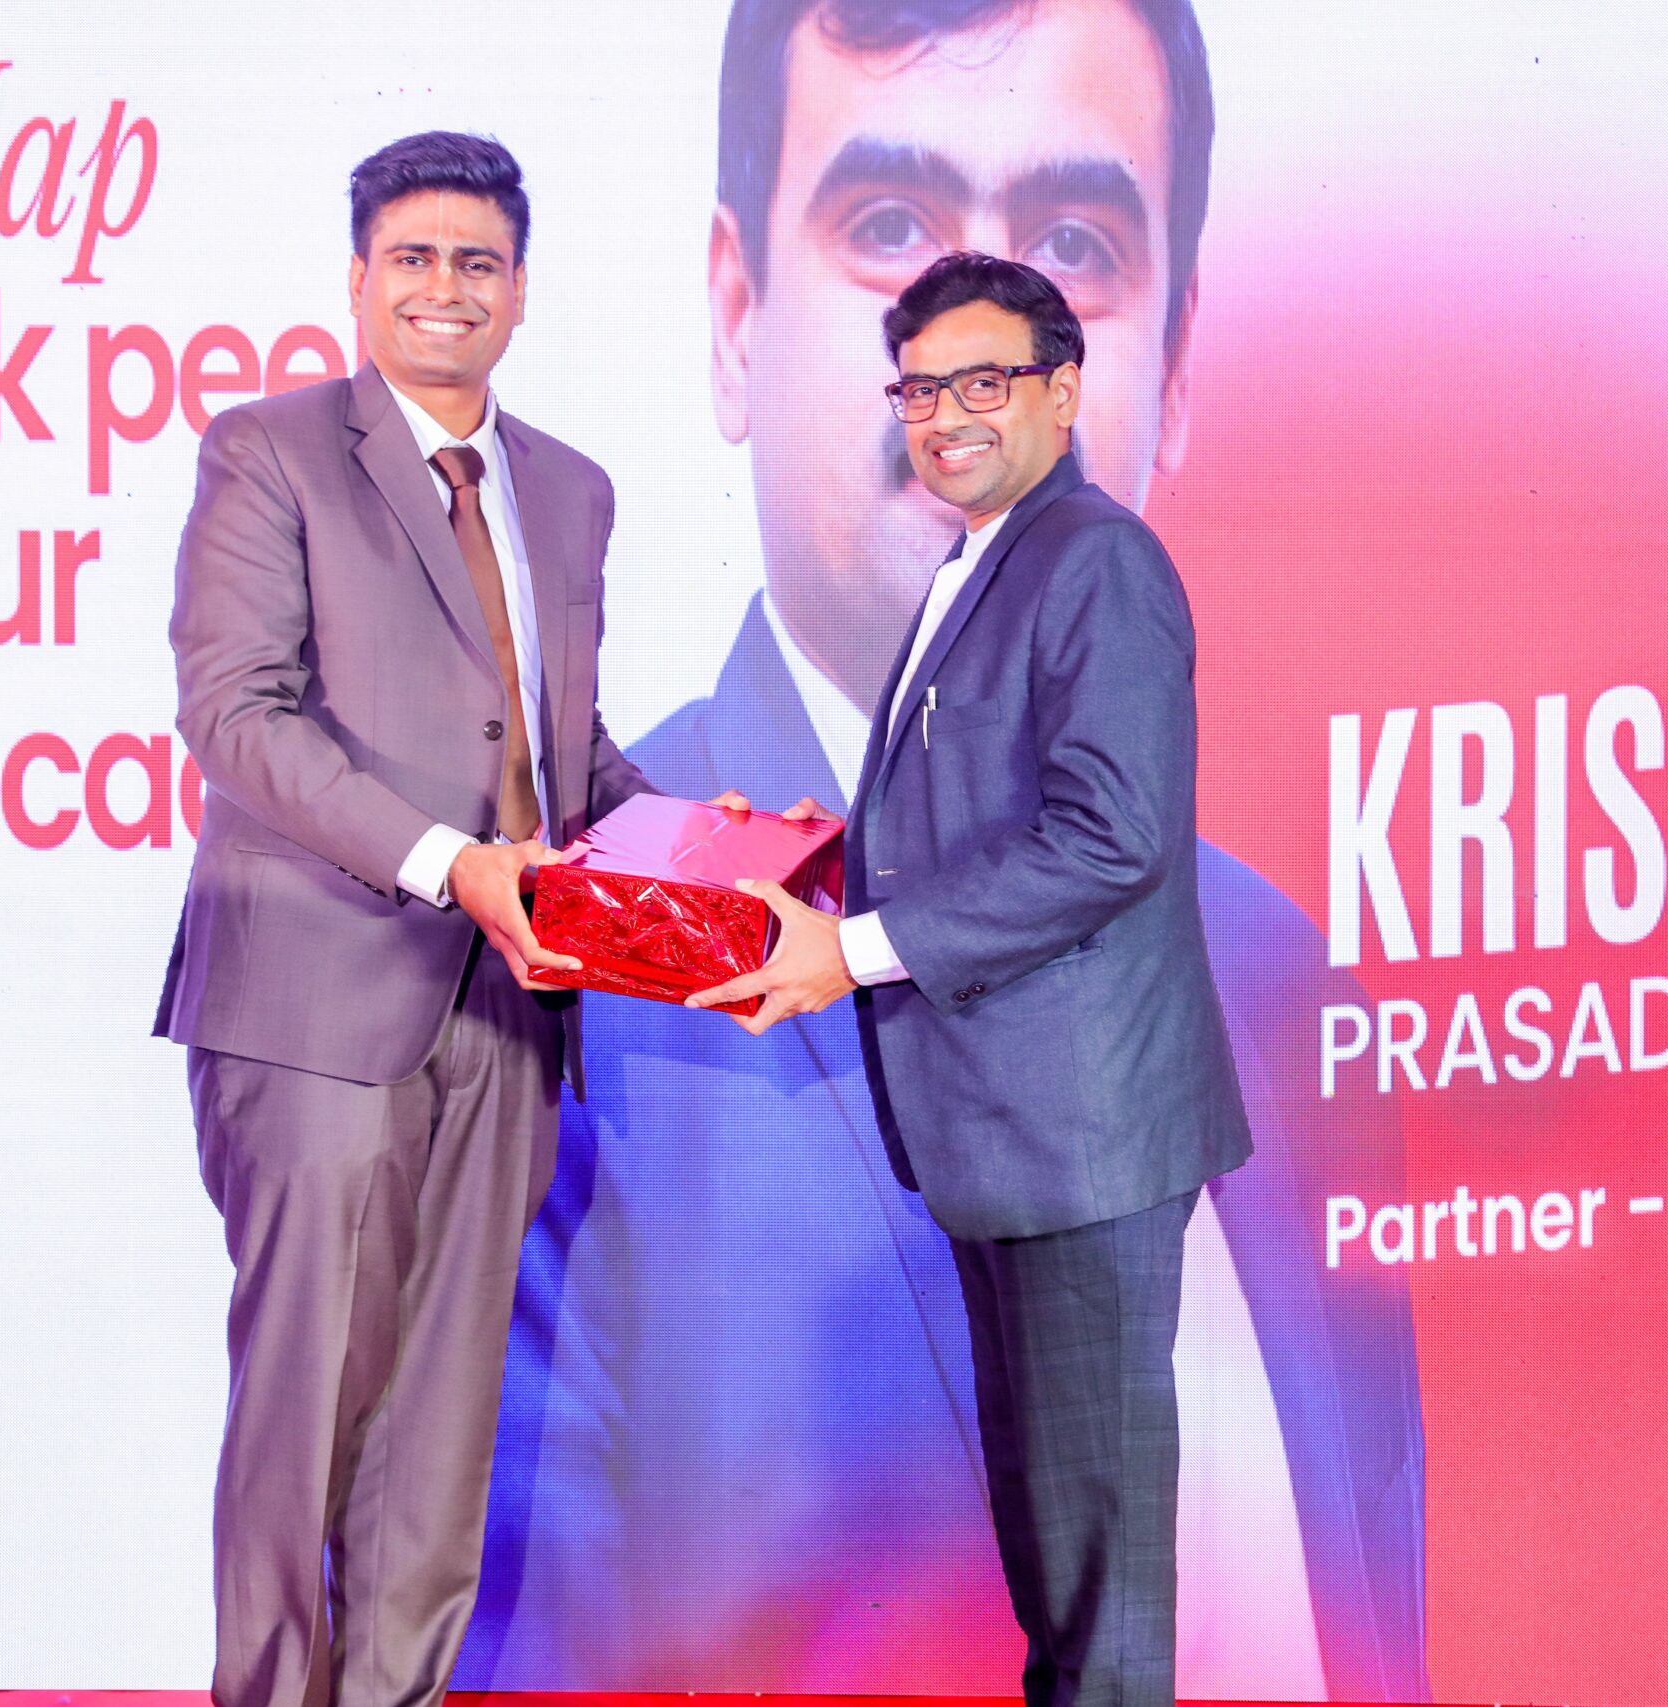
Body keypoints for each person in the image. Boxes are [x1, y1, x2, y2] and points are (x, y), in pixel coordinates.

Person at [469, 3, 1429, 1701]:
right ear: (737, 317)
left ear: (1149, 375)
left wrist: (848, 945)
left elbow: (1358, 1608)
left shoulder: (1283, 969)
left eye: (1075, 248)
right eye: (890, 225)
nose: (951, 409)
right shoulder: (609, 944)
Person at [692, 245, 1246, 1707]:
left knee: (1096, 1581)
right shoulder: (983, 560)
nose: (946, 415)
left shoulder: (1094, 559)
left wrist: (850, 949)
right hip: (1016, 1137)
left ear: (1064, 391)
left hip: (1079, 1140)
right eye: (922, 389)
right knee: (1061, 1562)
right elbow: (985, 816)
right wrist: (820, 857)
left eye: (984, 381)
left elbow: (1110, 836)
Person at [153, 131, 659, 1707]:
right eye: (415, 259)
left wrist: (709, 850)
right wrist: (449, 861)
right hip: (316, 1005)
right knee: (307, 1408)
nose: (448, 288)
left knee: (443, 1433)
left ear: (521, 289)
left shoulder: (569, 490)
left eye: (477, 261)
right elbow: (238, 716)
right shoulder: (271, 452)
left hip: (512, 1007)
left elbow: (559, 753)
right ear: (361, 281)